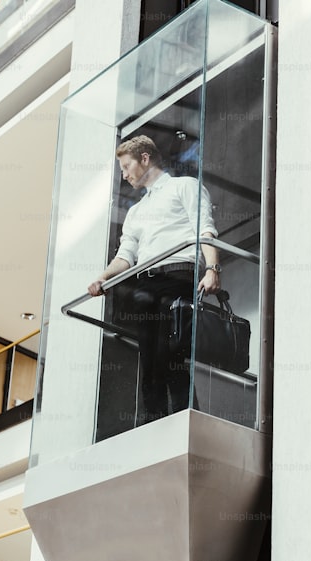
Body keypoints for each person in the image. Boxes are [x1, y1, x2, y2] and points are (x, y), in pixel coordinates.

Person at [87, 135, 220, 424]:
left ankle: (185, 420)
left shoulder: (184, 187)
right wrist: (103, 277)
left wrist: (212, 269)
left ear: (145, 158)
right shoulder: (136, 211)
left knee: (171, 355)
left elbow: (205, 230)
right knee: (150, 362)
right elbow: (126, 256)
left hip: (177, 276)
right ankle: (154, 426)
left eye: (126, 166)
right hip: (145, 286)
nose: (123, 175)